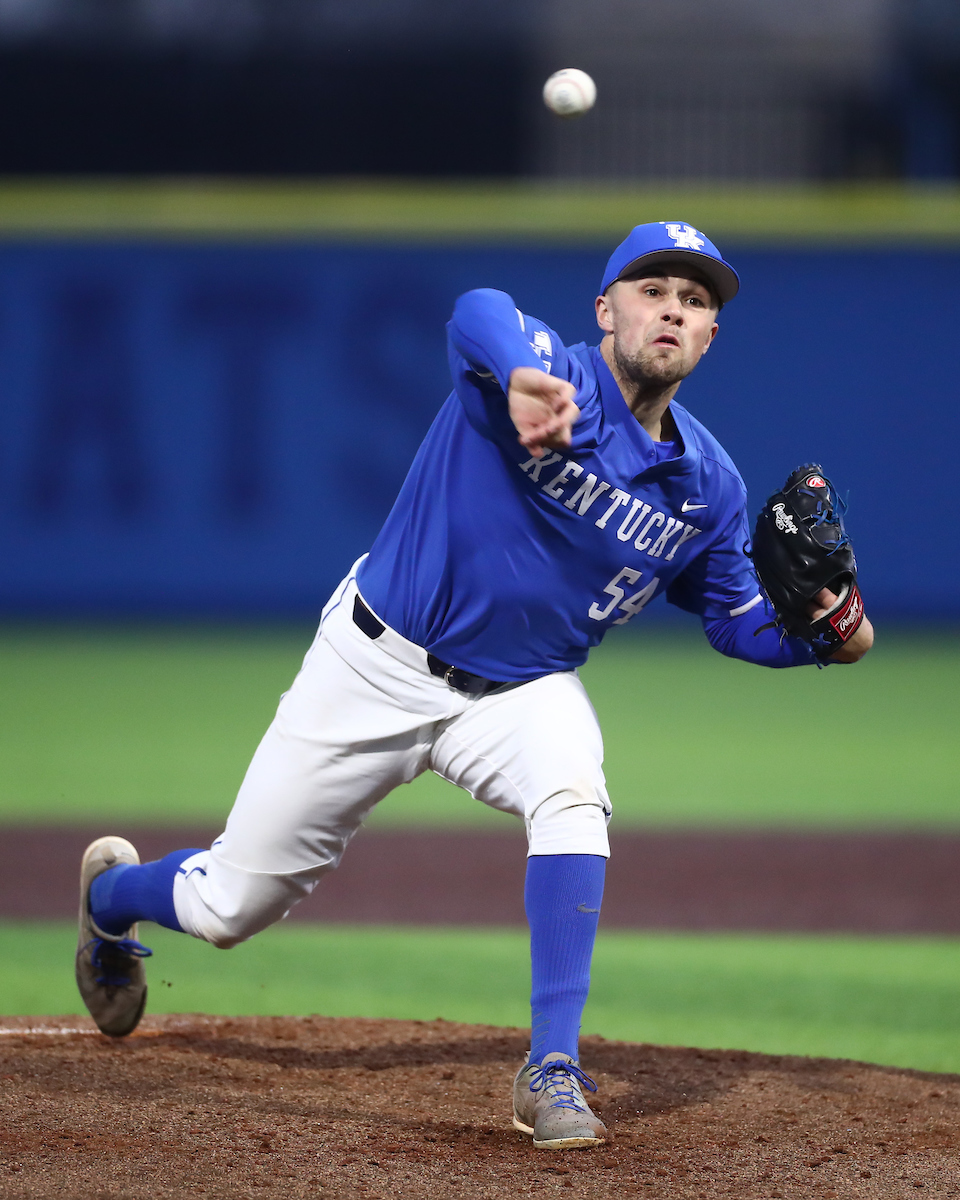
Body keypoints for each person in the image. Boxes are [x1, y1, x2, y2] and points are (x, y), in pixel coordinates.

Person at [76, 221, 873, 1151]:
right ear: (605, 309)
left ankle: (552, 1068)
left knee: (575, 792)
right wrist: (525, 381)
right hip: (374, 664)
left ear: (709, 338)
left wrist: (828, 635)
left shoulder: (708, 487)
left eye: (695, 302)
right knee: (229, 909)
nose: (673, 309)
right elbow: (478, 312)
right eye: (653, 289)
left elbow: (738, 622)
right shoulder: (543, 374)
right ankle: (111, 899)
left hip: (518, 692)